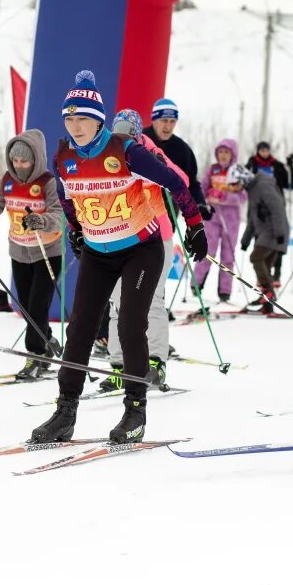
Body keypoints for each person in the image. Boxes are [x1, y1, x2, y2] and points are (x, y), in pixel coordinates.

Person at [29, 71, 206, 445]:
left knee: (129, 324)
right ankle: (65, 412)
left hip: (140, 249)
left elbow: (175, 182)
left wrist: (195, 226)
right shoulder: (64, 157)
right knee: (79, 329)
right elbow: (65, 197)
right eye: (70, 118)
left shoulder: (125, 150)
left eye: (83, 118)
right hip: (97, 251)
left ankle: (135, 410)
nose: (76, 126)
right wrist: (77, 231)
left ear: (99, 119)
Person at [0, 128, 65, 380]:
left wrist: (41, 221)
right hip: (19, 252)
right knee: (27, 307)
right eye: (15, 161)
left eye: (24, 161)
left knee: (37, 308)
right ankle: (47, 341)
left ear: (36, 159)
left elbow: (59, 214)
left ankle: (35, 357)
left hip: (47, 253)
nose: (19, 166)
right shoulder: (7, 180)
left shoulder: (48, 182)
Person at [98, 108, 186, 393]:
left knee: (152, 302)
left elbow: (181, 180)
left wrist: (163, 165)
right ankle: (119, 366)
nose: (123, 138)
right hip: (120, 237)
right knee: (117, 304)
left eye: (128, 133)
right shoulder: (108, 155)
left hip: (156, 239)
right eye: (118, 132)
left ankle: (156, 362)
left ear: (137, 134)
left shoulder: (150, 153)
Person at [143, 97, 211, 225]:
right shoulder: (140, 140)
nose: (168, 126)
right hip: (139, 208)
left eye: (172, 121)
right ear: (154, 119)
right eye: (164, 120)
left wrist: (200, 204)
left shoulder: (182, 150)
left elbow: (191, 183)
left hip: (168, 212)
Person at [193, 138, 245, 302]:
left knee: (228, 255)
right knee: (208, 251)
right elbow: (201, 188)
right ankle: (197, 283)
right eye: (220, 152)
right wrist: (207, 196)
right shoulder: (212, 170)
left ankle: (225, 291)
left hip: (231, 220)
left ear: (233, 154)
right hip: (213, 217)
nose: (223, 155)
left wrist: (224, 196)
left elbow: (243, 196)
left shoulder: (238, 171)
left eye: (226, 152)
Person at [239, 165, 289, 314]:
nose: (234, 189)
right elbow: (253, 219)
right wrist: (246, 240)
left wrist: (280, 233)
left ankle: (268, 294)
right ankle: (267, 303)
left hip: (274, 231)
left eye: (234, 184)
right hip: (268, 231)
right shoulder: (253, 190)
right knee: (265, 267)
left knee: (256, 257)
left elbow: (277, 208)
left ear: (241, 180)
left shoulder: (262, 186)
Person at [247, 141, 293, 283]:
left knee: (277, 240)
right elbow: (245, 183)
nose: (264, 152)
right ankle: (263, 277)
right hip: (259, 211)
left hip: (275, 209)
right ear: (258, 151)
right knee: (260, 244)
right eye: (261, 150)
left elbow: (290, 185)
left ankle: (276, 275)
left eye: (266, 149)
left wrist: (291, 167)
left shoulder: (277, 165)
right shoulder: (252, 164)